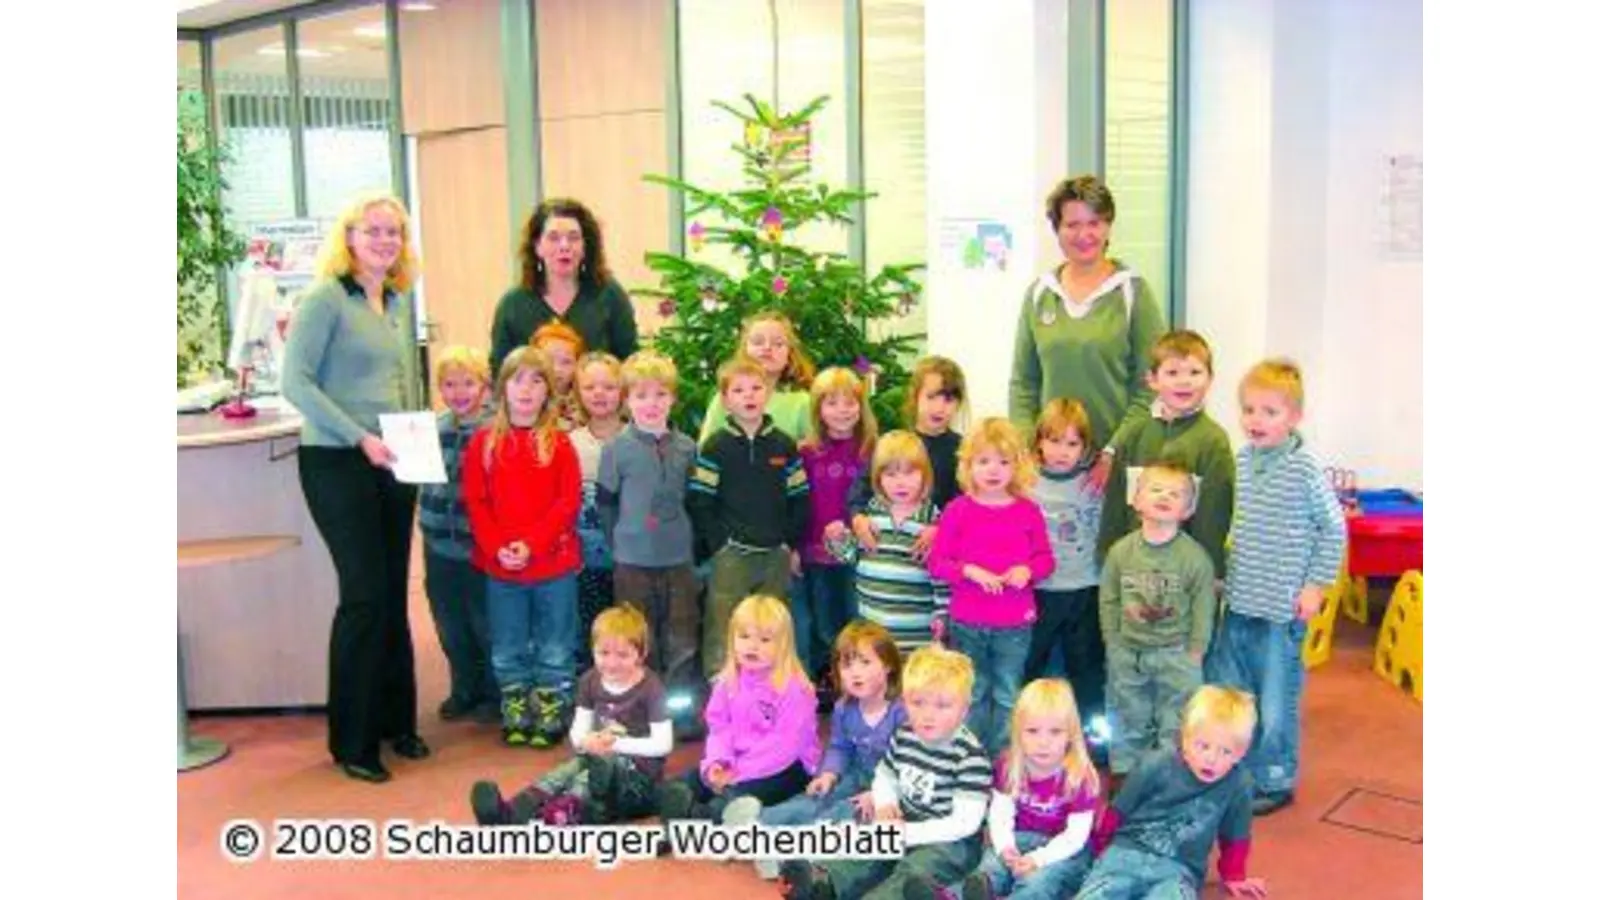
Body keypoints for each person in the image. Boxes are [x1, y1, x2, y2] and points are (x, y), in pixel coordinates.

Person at [281, 192, 428, 784]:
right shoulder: (325, 298)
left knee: (392, 592)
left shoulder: (393, 299)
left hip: (392, 457)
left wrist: (412, 433)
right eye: (374, 231)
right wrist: (358, 436)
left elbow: (395, 381)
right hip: (337, 459)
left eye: (394, 232)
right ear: (349, 237)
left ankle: (396, 722)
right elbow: (296, 383)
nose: (385, 240)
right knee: (364, 596)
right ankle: (353, 740)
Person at [1205, 360, 1347, 816]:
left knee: (1275, 699)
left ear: (1294, 417)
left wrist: (1315, 585)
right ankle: (1235, 768)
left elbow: (1334, 530)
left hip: (1281, 610)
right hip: (1240, 602)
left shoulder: (1304, 467)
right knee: (1232, 691)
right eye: (1249, 410)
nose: (1256, 420)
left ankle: (1275, 777)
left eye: (1270, 411)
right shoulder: (1243, 460)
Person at [778, 645, 991, 900]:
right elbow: (886, 774)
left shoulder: (970, 757)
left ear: (964, 710)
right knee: (869, 847)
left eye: (942, 706)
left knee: (916, 868)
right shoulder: (906, 734)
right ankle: (824, 884)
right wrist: (886, 802)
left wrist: (908, 833)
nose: (928, 715)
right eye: (918, 703)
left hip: (951, 841)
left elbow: (964, 823)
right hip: (906, 819)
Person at [1008, 175, 1168, 494]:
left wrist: (1113, 452)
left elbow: (1151, 386)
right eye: (1072, 224)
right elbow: (1023, 383)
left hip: (1116, 466)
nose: (1084, 235)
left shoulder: (1132, 292)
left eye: (1094, 223)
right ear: (1057, 229)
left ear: (1108, 227)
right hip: (1051, 469)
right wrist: (1027, 448)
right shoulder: (1040, 294)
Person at [460, 347, 583, 748]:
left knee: (556, 642)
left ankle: (551, 703)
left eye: (536, 380)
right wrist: (498, 547)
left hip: (554, 564)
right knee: (508, 642)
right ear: (502, 388)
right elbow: (476, 501)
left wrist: (531, 544)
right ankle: (515, 703)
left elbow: (567, 502)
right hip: (502, 567)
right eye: (517, 380)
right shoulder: (484, 443)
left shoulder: (559, 443)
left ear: (549, 390)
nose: (526, 389)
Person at [723, 619, 907, 880]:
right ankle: (759, 823)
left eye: (865, 663)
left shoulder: (902, 712)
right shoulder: (845, 707)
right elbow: (840, 747)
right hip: (855, 775)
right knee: (817, 798)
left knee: (846, 813)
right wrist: (828, 774)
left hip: (888, 789)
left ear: (888, 666)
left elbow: (909, 764)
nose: (855, 673)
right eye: (847, 665)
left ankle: (791, 848)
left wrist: (882, 795)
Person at [470, 604, 672, 827]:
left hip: (637, 776)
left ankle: (558, 814)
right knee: (565, 771)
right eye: (604, 653)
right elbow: (578, 730)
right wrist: (586, 741)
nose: (612, 663)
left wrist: (614, 744)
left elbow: (663, 744)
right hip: (598, 757)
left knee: (590, 775)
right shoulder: (590, 681)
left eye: (623, 655)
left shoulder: (651, 688)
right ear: (593, 650)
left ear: (641, 654)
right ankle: (514, 810)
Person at [927, 418, 1056, 755]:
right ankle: (970, 756)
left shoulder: (1028, 511)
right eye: (983, 461)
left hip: (1015, 623)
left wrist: (1027, 570)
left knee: (1007, 693)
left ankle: (1003, 759)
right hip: (967, 621)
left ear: (1018, 465)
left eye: (1003, 461)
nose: (993, 470)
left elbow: (1046, 561)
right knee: (973, 691)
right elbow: (937, 562)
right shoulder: (957, 511)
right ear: (968, 466)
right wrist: (968, 570)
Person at [906, 678, 1100, 900]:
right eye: (1032, 731)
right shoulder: (1009, 765)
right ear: (1018, 732)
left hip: (1062, 850)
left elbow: (1075, 837)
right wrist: (1005, 847)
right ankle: (951, 896)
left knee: (1038, 882)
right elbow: (1000, 815)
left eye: (1055, 732)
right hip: (1017, 838)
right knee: (989, 870)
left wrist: (1038, 859)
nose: (1043, 742)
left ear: (1070, 735)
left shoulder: (1079, 775)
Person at [1075, 686, 1268, 900]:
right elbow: (1119, 810)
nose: (1212, 759)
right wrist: (1096, 851)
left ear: (1240, 754)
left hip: (1179, 870)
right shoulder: (1156, 764)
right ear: (1184, 739)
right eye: (1203, 746)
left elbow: (1236, 833)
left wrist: (1234, 875)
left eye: (1226, 751)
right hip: (1127, 853)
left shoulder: (1239, 784)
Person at [688, 357, 810, 679]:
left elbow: (800, 497)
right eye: (739, 390)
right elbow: (700, 499)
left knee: (773, 624)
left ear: (768, 393)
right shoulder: (715, 447)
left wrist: (788, 541)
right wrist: (720, 543)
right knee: (723, 622)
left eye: (756, 388)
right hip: (732, 555)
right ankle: (721, 686)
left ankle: (772, 685)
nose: (749, 396)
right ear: (726, 400)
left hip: (774, 554)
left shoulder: (784, 445)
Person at [657, 595, 820, 826]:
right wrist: (717, 763)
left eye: (764, 640)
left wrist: (739, 773)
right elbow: (719, 729)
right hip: (735, 762)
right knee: (686, 782)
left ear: (783, 645)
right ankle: (690, 812)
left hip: (785, 768)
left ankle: (706, 818)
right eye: (744, 637)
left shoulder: (795, 689)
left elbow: (783, 747)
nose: (752, 646)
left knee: (732, 800)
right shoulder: (726, 682)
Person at [1099, 462, 1216, 780]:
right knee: (1127, 711)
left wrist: (1197, 649)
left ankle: (1167, 773)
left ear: (1188, 509)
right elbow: (1109, 597)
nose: (1164, 497)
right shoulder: (1121, 552)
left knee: (1177, 716)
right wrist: (1112, 639)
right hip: (1128, 649)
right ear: (1136, 499)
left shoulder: (1194, 559)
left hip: (1176, 652)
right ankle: (1126, 773)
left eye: (1175, 494)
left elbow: (1204, 605)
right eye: (1156, 489)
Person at [598, 350, 700, 689]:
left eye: (660, 394)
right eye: (641, 395)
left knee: (682, 632)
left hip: (678, 558)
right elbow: (606, 506)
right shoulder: (616, 449)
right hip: (632, 561)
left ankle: (679, 701)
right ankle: (643, 697)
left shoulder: (687, 448)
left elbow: (695, 501)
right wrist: (620, 544)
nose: (651, 404)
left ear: (673, 399)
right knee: (637, 633)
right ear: (627, 401)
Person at [1096, 330, 1234, 580]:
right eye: (1172, 373)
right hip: (1133, 571)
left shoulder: (1214, 442)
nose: (1184, 381)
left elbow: (1215, 517)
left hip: (1185, 576)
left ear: (1210, 379)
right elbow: (1115, 504)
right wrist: (1107, 556)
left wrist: (1210, 573)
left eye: (1195, 372)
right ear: (1152, 380)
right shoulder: (1133, 434)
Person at [417, 346, 497, 724]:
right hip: (437, 541)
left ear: (484, 386)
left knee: (485, 621)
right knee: (449, 621)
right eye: (449, 385)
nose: (459, 392)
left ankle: (493, 692)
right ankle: (464, 686)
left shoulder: (494, 430)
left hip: (478, 543)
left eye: (468, 383)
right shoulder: (433, 428)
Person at [1024, 399, 1106, 738]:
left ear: (1085, 448)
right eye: (1054, 441)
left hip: (1084, 588)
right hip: (1040, 591)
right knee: (1031, 664)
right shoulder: (1026, 482)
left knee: (1086, 667)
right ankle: (1025, 732)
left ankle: (1094, 738)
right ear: (1039, 441)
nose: (1062, 451)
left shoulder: (1093, 483)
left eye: (1072, 444)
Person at [831, 431, 950, 656]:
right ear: (878, 478)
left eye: (909, 473)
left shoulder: (933, 522)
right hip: (874, 637)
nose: (900, 482)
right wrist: (838, 540)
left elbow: (943, 578)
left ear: (925, 475)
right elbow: (853, 558)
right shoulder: (870, 516)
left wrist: (943, 616)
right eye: (891, 474)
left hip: (917, 638)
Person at [489, 198, 639, 373]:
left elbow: (629, 364)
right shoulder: (513, 305)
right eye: (553, 238)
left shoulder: (610, 295)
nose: (564, 246)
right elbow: (500, 373)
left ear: (585, 246)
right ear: (537, 246)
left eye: (573, 238)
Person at [795, 366, 878, 679]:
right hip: (817, 553)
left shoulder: (872, 450)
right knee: (824, 622)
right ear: (818, 409)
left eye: (850, 402)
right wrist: (795, 547)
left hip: (860, 554)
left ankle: (860, 678)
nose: (842, 410)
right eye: (832, 403)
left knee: (857, 618)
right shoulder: (806, 452)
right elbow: (796, 503)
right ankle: (831, 681)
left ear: (861, 406)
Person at [568, 350, 626, 673]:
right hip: (586, 560)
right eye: (590, 387)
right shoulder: (571, 444)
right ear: (578, 393)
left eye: (608, 386)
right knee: (590, 630)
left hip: (630, 561)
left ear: (622, 391)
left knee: (628, 629)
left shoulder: (637, 440)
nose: (599, 394)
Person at [697, 310, 816, 445]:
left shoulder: (802, 402)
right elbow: (705, 450)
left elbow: (816, 450)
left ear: (790, 354)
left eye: (778, 343)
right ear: (744, 350)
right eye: (758, 342)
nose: (767, 348)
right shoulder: (725, 398)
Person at [533, 320, 587, 431]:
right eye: (549, 360)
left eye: (566, 362)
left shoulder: (586, 402)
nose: (557, 369)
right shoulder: (524, 400)